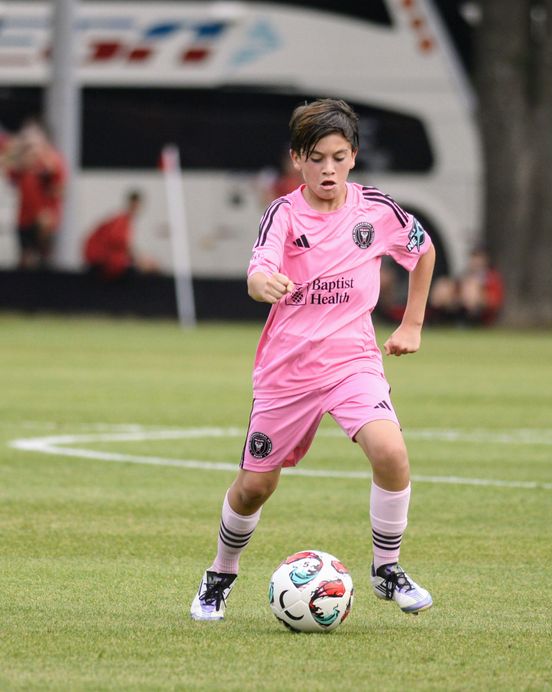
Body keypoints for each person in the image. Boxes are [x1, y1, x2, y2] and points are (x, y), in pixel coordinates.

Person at [190, 98, 437, 621]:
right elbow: (257, 271)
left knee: (391, 453)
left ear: (354, 156)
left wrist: (412, 323)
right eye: (317, 158)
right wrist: (264, 284)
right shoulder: (282, 214)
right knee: (256, 486)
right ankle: (220, 573)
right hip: (288, 371)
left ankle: (387, 570)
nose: (329, 169)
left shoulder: (376, 210)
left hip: (353, 363)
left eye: (339, 157)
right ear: (297, 159)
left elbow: (423, 250)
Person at [0, 120, 66, 269]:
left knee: (41, 258)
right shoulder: (23, 160)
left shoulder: (52, 160)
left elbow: (59, 188)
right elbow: (10, 174)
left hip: (43, 220)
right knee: (25, 259)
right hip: (24, 218)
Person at [82, 189, 157, 281]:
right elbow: (120, 243)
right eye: (135, 205)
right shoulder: (121, 221)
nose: (136, 208)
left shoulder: (124, 221)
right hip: (103, 263)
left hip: (104, 262)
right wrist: (141, 260)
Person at [428, 248, 504, 325]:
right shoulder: (465, 274)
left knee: (471, 289)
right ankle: (434, 318)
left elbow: (494, 300)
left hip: (482, 311)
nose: (475, 262)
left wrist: (479, 297)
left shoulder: (490, 278)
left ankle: (469, 321)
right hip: (461, 303)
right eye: (474, 259)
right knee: (443, 286)